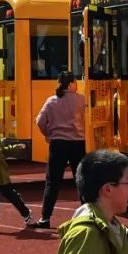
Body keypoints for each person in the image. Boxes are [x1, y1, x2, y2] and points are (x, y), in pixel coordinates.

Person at [35, 70, 86, 229]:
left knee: (52, 182)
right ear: (71, 84)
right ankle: (88, 216)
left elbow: (40, 121)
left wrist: (48, 134)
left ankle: (45, 217)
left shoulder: (51, 101)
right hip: (78, 143)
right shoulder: (81, 100)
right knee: (81, 180)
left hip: (58, 144)